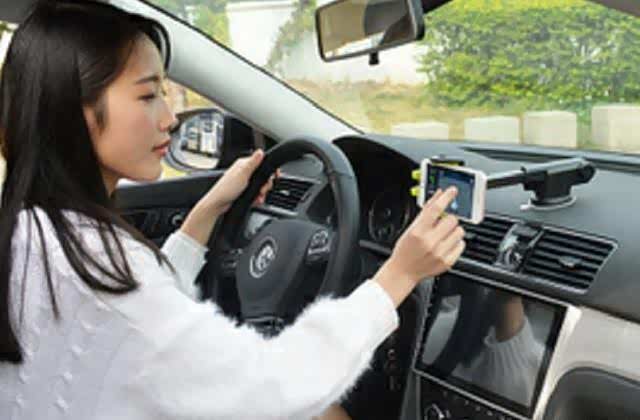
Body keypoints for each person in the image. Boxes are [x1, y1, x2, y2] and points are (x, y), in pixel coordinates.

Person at [0, 1, 466, 420]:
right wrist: (399, 275)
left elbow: (139, 325)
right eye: (147, 95)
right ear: (77, 113)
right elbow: (276, 390)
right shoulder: (110, 277)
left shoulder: (33, 229)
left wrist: (207, 213)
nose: (169, 118)